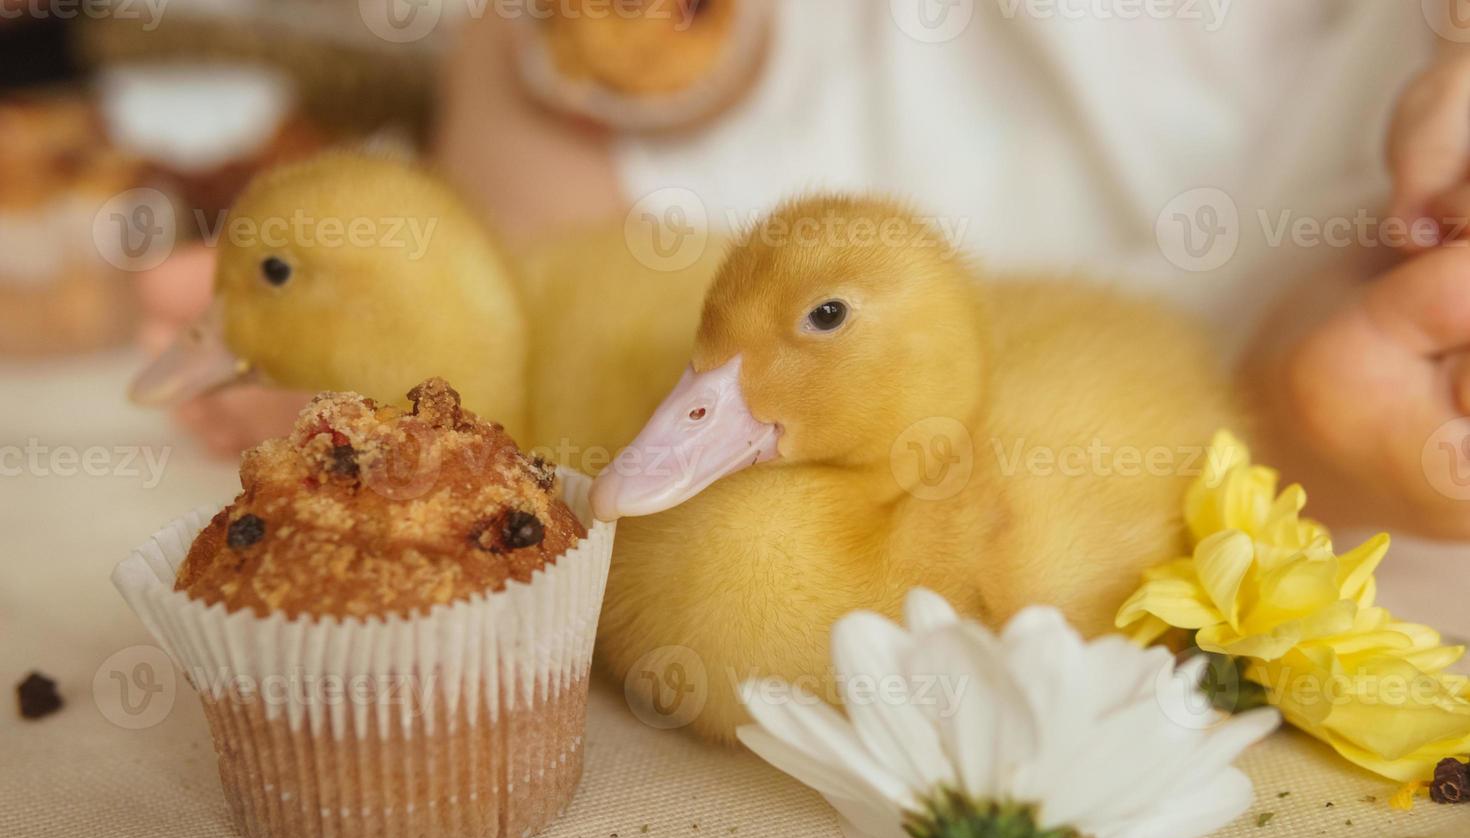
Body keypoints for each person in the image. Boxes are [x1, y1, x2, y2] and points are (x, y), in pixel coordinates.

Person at [141, 0, 1470, 537]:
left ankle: (1339, 382)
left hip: (1306, 139)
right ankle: (451, 350)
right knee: (525, 67)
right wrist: (697, 46)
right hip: (863, 95)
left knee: (1397, 182)